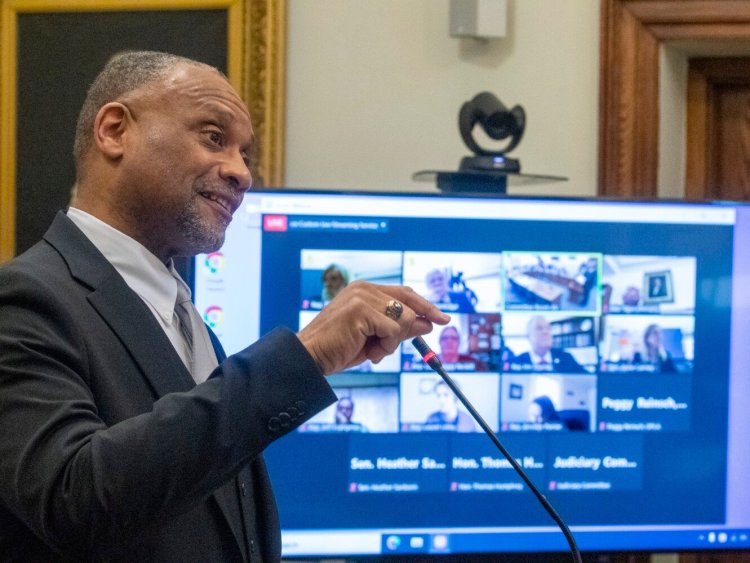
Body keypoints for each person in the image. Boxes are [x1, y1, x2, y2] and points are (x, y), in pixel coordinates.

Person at [0, 51, 449, 562]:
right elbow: (72, 498)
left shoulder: (184, 315)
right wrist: (306, 357)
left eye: (245, 154)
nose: (241, 173)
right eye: (214, 138)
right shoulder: (23, 300)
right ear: (115, 130)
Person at [513, 315, 586, 373]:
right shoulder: (518, 362)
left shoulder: (566, 358)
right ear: (528, 336)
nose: (545, 331)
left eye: (548, 328)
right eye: (539, 328)